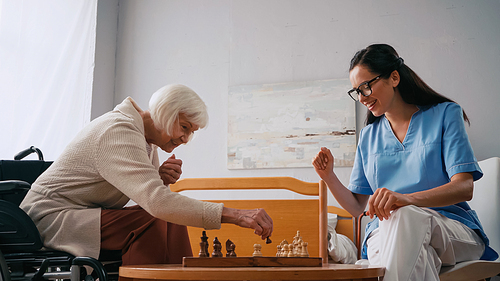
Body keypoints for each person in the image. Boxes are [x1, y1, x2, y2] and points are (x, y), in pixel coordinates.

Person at [20, 84, 273, 265]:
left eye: (191, 132)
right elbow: (158, 204)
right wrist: (236, 215)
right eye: (184, 127)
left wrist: (158, 179)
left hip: (79, 214)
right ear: (165, 113)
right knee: (156, 218)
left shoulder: (145, 141)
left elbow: (148, 197)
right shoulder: (119, 130)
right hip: (47, 220)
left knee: (169, 218)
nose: (186, 138)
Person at [313, 44, 497, 281]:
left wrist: (406, 200)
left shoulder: (445, 114)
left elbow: (465, 187)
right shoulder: (369, 136)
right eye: (356, 91)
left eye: (366, 86)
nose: (362, 97)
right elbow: (358, 208)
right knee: (417, 252)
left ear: (394, 78)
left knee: (406, 216)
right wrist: (328, 175)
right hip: (384, 233)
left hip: (450, 228)